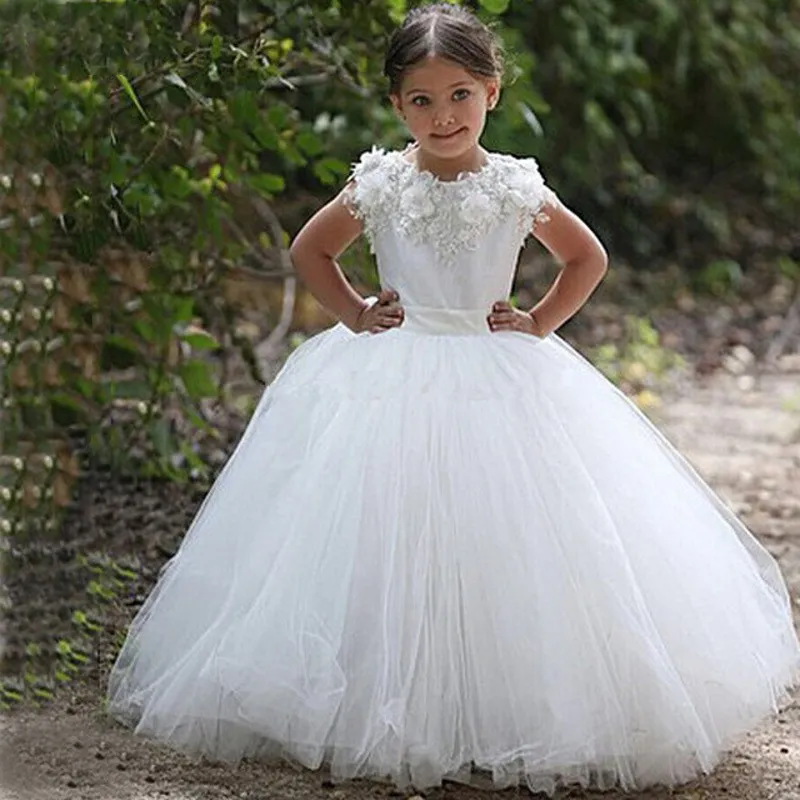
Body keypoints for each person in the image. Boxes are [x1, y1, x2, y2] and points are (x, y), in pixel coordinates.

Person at [106, 3, 800, 796]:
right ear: (398, 106)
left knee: (510, 535)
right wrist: (357, 313)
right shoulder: (380, 183)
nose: (444, 116)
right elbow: (310, 249)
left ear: (492, 93)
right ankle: (381, 700)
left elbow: (586, 257)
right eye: (423, 100)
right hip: (392, 372)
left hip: (493, 368)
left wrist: (537, 322)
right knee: (384, 534)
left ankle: (499, 703)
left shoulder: (512, 186)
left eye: (460, 95)